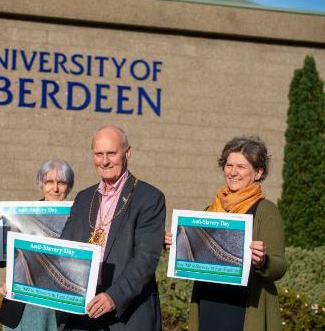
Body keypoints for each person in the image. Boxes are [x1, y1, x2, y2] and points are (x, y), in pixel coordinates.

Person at [165, 136, 287, 331]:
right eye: (229, 165)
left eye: (241, 167)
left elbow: (279, 267)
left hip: (243, 309)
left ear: (258, 172)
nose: (232, 172)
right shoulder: (210, 209)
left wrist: (263, 261)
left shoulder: (266, 210)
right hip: (208, 303)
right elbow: (195, 253)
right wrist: (174, 244)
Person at [59, 125, 166, 330]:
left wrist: (113, 296)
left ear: (127, 153)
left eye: (111, 153)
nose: (105, 161)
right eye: (99, 154)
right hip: (83, 312)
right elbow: (63, 249)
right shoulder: (84, 198)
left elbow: (146, 258)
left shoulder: (149, 198)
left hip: (126, 313)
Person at [0, 159, 75, 330]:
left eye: (61, 182)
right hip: (19, 304)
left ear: (69, 187)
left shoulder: (79, 220)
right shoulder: (21, 216)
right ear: (41, 184)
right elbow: (3, 260)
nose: (55, 188)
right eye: (49, 182)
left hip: (56, 307)